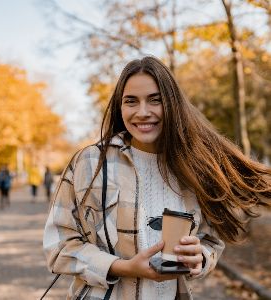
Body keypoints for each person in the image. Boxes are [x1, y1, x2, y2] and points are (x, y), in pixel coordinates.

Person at [43, 56, 271, 300]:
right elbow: (60, 246)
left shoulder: (195, 165)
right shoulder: (90, 162)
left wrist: (199, 256)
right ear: (120, 107)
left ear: (172, 104)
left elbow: (211, 241)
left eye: (155, 100)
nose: (143, 112)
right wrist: (123, 267)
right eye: (131, 101)